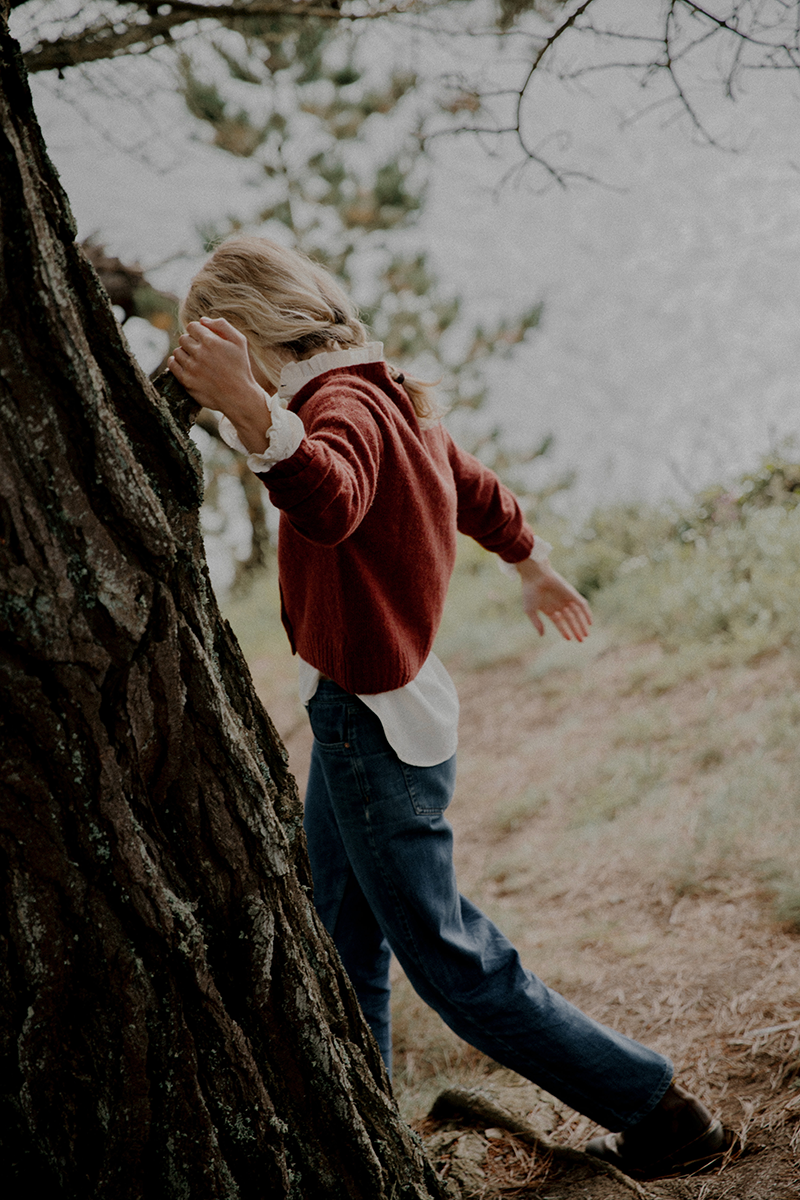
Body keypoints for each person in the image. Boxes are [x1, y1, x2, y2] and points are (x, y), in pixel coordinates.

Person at [168, 236, 731, 1180]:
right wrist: (532, 559)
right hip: (375, 715)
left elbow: (333, 501)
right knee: (344, 932)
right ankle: (366, 1134)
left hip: (371, 727)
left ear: (253, 335)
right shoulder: (379, 386)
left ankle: (661, 1113)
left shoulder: (334, 406)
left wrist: (246, 408)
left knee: (452, 964)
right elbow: (466, 481)